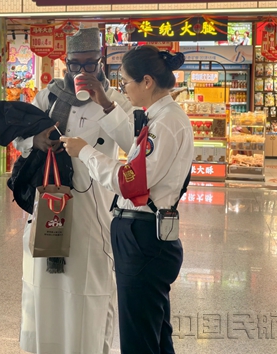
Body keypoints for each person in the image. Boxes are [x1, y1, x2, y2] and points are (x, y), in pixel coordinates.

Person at [61, 45, 193, 354]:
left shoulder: (166, 123)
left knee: (138, 339)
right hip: (144, 234)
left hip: (143, 238)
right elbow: (133, 147)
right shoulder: (160, 117)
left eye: (126, 82)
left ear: (147, 82)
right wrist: (105, 105)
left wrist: (85, 152)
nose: (124, 89)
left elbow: (130, 182)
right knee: (154, 333)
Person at [14, 27, 135, 354]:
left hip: (93, 211)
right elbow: (20, 140)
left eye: (90, 64)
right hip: (50, 205)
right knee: (44, 284)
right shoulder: (49, 97)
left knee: (88, 287)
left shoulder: (117, 100)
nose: (82, 71)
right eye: (75, 64)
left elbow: (133, 145)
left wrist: (105, 104)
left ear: (101, 61)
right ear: (65, 62)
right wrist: (36, 141)